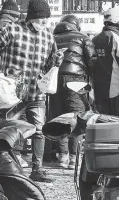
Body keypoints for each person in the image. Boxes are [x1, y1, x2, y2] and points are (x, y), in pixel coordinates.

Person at [0, 0, 63, 183]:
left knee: (39, 129)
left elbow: (49, 64)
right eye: (43, 19)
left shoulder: (48, 36)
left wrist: (56, 60)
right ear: (33, 17)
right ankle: (8, 168)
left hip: (37, 91)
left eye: (47, 20)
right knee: (11, 128)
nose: (46, 23)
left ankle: (38, 168)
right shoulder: (13, 29)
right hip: (13, 91)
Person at [50, 14, 96, 169]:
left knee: (59, 116)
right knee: (77, 116)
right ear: (76, 25)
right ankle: (74, 157)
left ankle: (62, 156)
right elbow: (92, 62)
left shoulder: (51, 37)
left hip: (55, 80)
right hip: (76, 80)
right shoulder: (83, 38)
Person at [92, 8, 119, 119]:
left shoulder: (95, 39)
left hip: (99, 89)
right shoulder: (116, 38)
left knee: (103, 121)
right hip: (117, 88)